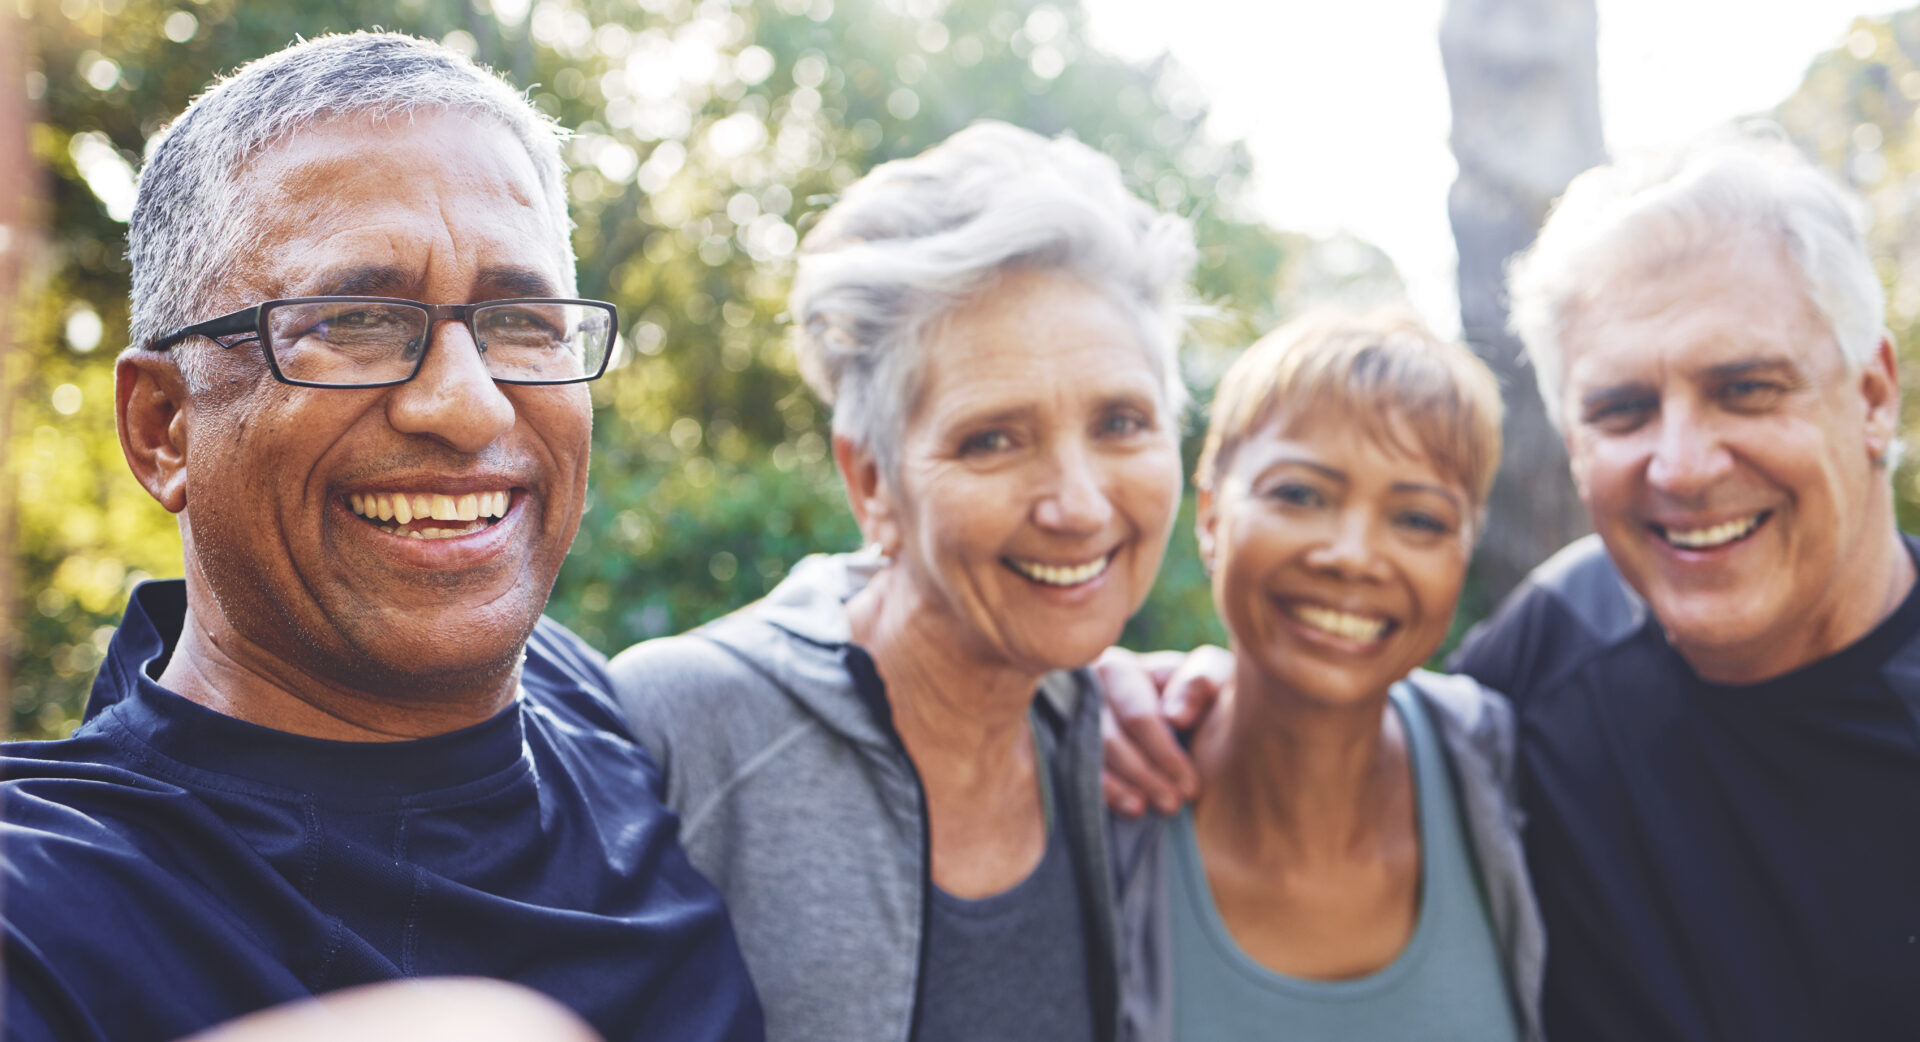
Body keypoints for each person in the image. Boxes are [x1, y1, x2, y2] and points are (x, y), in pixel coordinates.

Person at [0, 33, 762, 1042]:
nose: (469, 406)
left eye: (523, 320)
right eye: (356, 317)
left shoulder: (595, 709)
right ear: (163, 427)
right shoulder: (47, 905)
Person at [1101, 129, 1920, 1041]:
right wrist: (1141, 695)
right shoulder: (1555, 649)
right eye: (1622, 409)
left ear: (1874, 397)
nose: (1682, 467)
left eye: (1746, 389)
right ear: (1575, 444)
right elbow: (1343, 694)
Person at [607, 121, 1194, 1042]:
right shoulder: (675, 729)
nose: (1078, 505)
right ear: (871, 481)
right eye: (992, 438)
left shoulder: (1119, 741)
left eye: (1122, 422)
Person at [1109, 312, 1543, 1042]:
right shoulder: (1092, 794)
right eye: (1301, 495)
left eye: (1418, 520)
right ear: (1211, 515)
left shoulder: (1508, 775)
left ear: (1462, 555)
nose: (1352, 555)